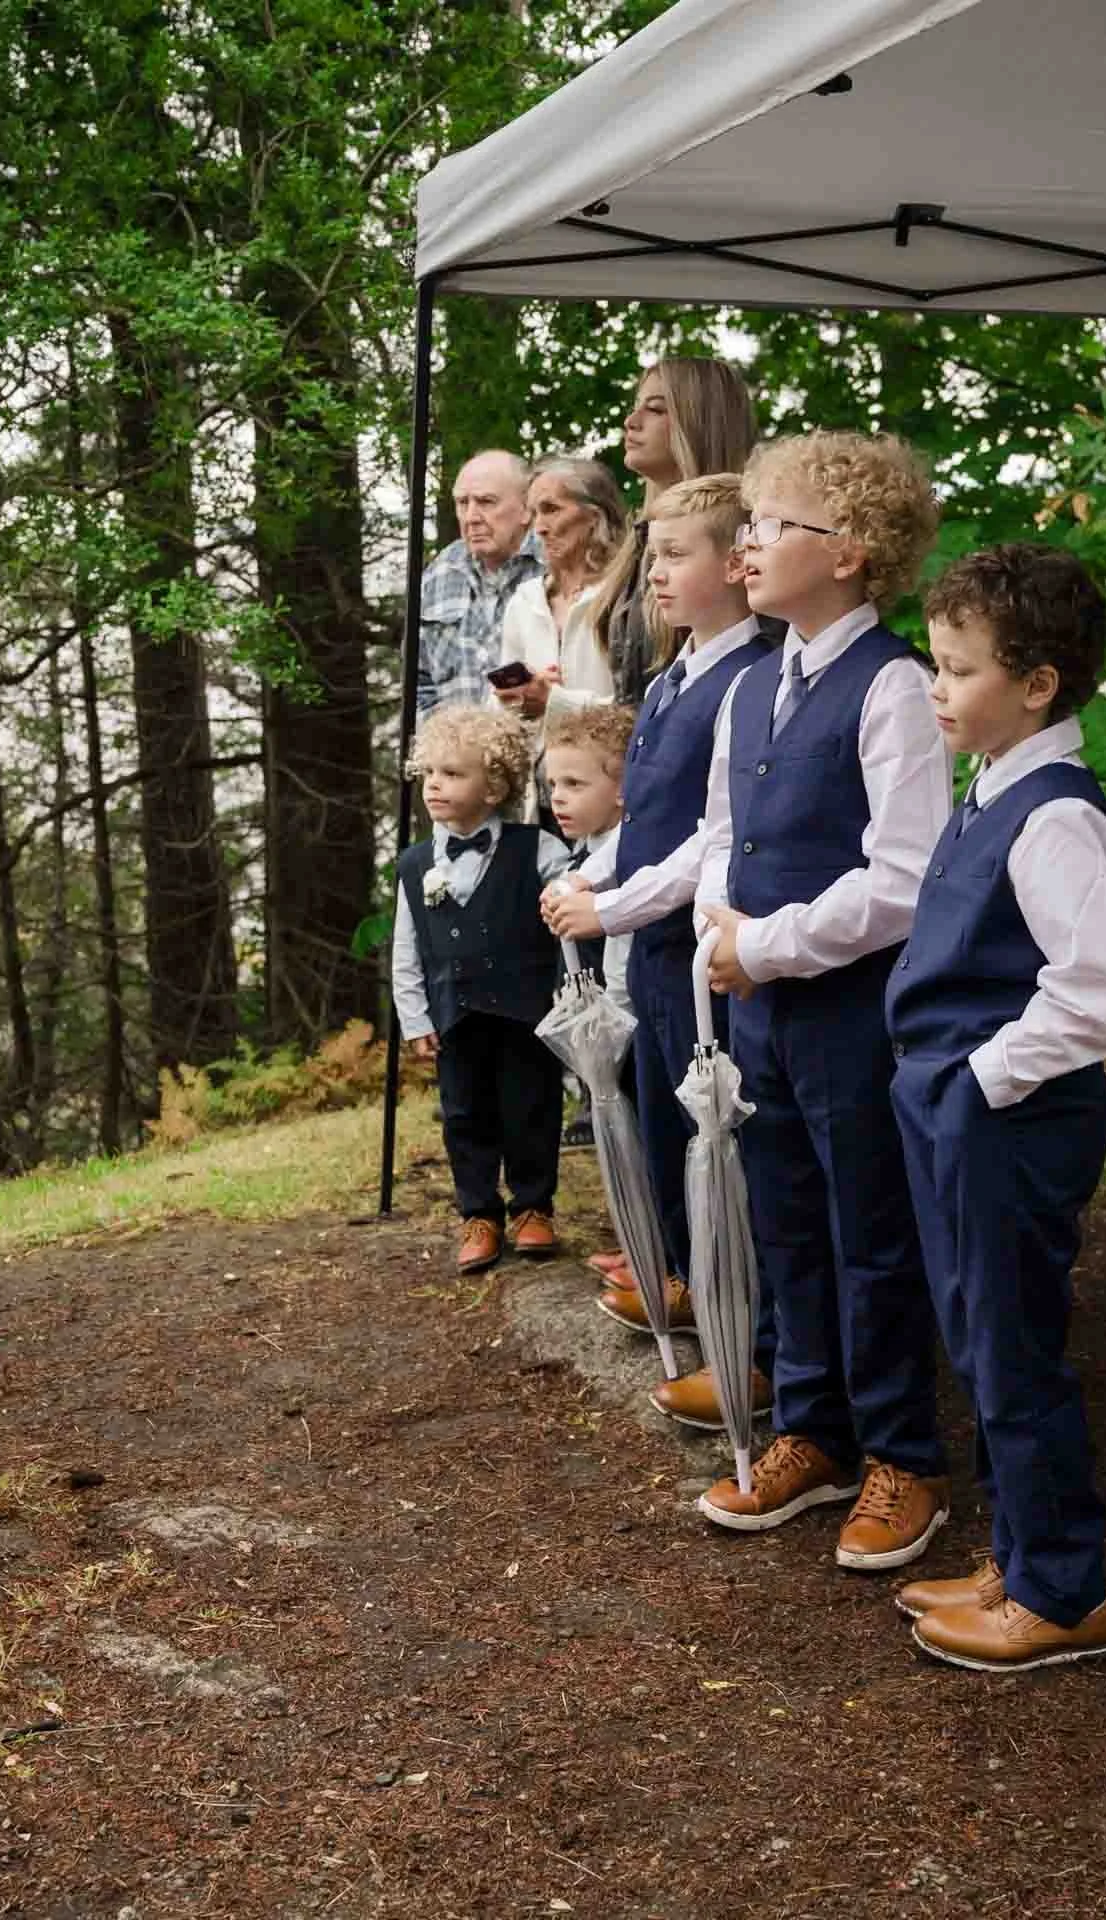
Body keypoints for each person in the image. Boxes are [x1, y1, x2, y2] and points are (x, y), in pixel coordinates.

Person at [887, 544, 1106, 1672]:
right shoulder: (989, 786)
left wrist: (976, 1082)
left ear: (1036, 683)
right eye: (935, 664)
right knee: (975, 1336)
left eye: (958, 669)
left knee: (1014, 1346)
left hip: (1010, 1116)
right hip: (959, 1110)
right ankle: (1016, 1554)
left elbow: (1091, 992)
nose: (936, 688)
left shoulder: (1056, 818)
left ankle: (1063, 1591)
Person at [694, 432, 952, 1564]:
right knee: (786, 1219)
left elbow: (904, 877)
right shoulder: (750, 686)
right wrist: (719, 928)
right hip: (757, 1006)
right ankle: (814, 1429)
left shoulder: (894, 685)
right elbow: (721, 832)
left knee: (870, 1230)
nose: (744, 545)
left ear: (847, 553)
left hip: (852, 1012)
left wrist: (768, 944)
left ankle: (903, 1454)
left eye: (768, 526)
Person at [546, 475, 780, 1432]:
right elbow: (647, 820)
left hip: (700, 947)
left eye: (677, 554)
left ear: (735, 563)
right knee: (660, 1130)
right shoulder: (675, 676)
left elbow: (710, 838)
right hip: (649, 947)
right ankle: (690, 1282)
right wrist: (597, 882)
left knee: (720, 1150)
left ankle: (750, 1347)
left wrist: (615, 905)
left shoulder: (750, 677)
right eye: (653, 555)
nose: (654, 574)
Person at [391, 706, 570, 1276]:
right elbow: (406, 949)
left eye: (452, 774)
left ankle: (534, 1206)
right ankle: (479, 1214)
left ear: (493, 787)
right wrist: (415, 1019)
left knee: (531, 1106)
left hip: (526, 1009)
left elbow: (573, 913)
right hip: (455, 1014)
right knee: (464, 1114)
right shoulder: (415, 865)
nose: (434, 785)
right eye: (428, 773)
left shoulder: (537, 849)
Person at [589, 359, 759, 708]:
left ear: (700, 423)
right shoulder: (638, 540)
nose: (631, 421)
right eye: (635, 406)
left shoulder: (749, 535)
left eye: (655, 409)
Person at [493, 458, 628, 823]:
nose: (539, 527)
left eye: (551, 509)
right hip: (538, 804)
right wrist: (518, 698)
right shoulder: (525, 601)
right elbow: (502, 714)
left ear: (594, 516)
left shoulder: (623, 596)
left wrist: (554, 702)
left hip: (612, 800)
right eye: (534, 512)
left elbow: (640, 706)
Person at [417, 451, 540, 714]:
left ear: (527, 509)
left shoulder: (555, 567)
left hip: (540, 736)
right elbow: (417, 683)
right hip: (450, 739)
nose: (471, 517)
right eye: (463, 503)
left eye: (486, 502)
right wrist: (440, 731)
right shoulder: (439, 573)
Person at [543, 704, 637, 1016]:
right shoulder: (582, 849)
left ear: (622, 789)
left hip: (613, 1019)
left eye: (573, 783)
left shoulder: (625, 862)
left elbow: (620, 965)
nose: (557, 797)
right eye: (553, 784)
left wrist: (609, 1025)